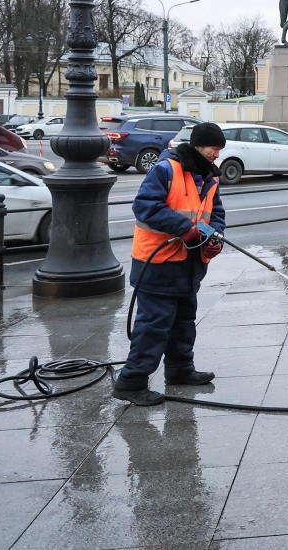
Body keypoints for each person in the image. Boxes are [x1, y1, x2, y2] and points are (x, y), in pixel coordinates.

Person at [113, 122, 227, 406]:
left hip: (189, 264)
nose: (217, 153)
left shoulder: (210, 178)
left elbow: (217, 214)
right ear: (199, 146)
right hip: (158, 262)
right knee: (154, 325)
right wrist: (184, 228)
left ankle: (179, 369)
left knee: (183, 321)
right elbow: (145, 206)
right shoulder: (166, 169)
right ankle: (131, 382)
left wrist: (215, 237)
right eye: (215, 148)